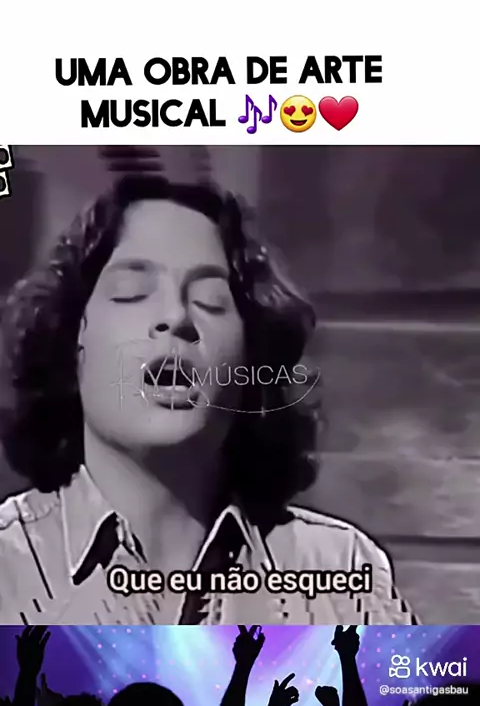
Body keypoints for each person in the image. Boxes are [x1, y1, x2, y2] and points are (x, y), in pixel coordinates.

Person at [0, 172, 416, 624]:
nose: (176, 316)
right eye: (132, 293)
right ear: (71, 339)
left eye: (211, 299)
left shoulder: (342, 573)